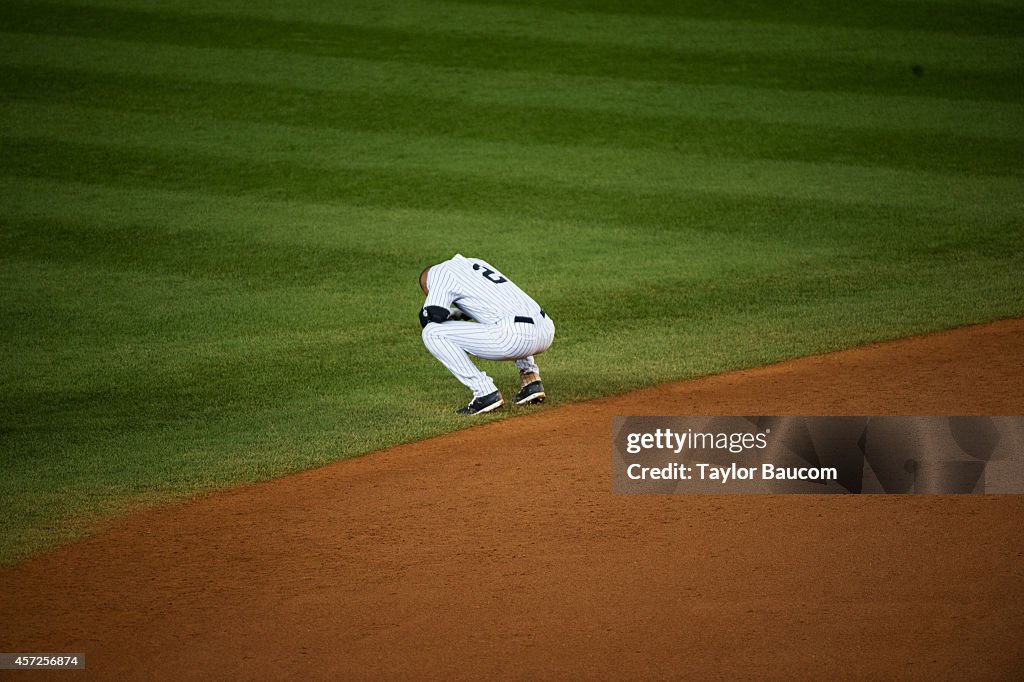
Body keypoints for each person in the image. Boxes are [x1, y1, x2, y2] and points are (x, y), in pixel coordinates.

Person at [418, 254, 555, 414]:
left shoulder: (438, 274)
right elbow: (485, 305)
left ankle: (485, 393)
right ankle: (531, 380)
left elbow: (433, 314)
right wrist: (457, 313)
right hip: (546, 330)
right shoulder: (474, 264)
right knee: (503, 316)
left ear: (427, 285)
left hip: (516, 338)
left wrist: (435, 311)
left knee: (431, 332)